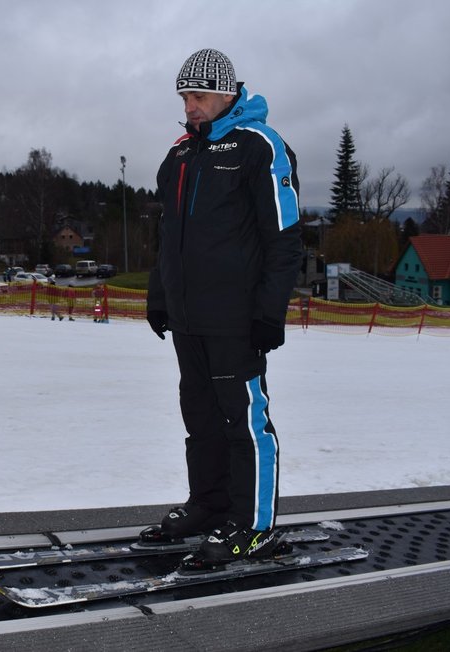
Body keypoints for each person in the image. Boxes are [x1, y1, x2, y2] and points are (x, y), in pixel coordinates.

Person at [145, 48, 302, 564]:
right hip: (190, 319)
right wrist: (159, 297)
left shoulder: (260, 146)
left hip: (237, 319)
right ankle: (209, 506)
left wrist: (268, 313)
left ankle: (253, 524)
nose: (190, 105)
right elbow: (168, 234)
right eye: (185, 96)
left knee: (245, 421)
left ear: (228, 93)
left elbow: (283, 239)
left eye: (200, 95)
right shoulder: (180, 155)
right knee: (201, 419)